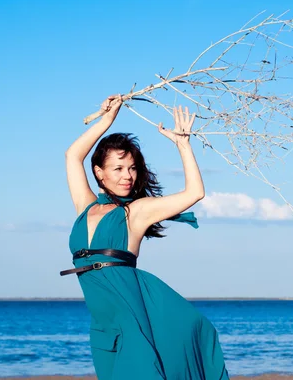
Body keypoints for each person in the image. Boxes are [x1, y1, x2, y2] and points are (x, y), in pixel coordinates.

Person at [61, 94, 230, 379]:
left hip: (132, 319)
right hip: (103, 324)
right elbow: (73, 155)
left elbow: (194, 194)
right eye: (118, 168)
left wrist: (183, 144)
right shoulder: (85, 206)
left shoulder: (136, 212)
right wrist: (107, 120)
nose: (127, 175)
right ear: (99, 173)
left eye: (132, 168)